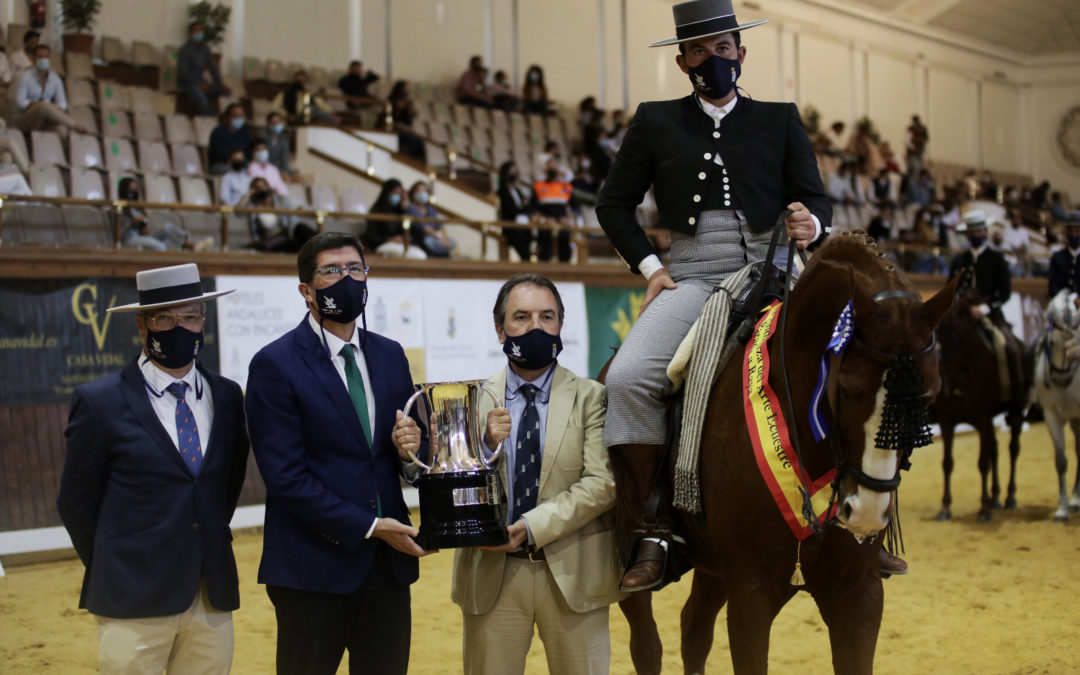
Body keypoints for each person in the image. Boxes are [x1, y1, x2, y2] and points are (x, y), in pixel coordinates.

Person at [595, 0, 850, 591]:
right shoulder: (655, 120)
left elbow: (816, 198)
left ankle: (862, 522)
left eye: (725, 47)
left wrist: (813, 225)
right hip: (695, 273)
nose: (716, 59)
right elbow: (613, 204)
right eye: (701, 51)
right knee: (629, 377)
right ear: (683, 60)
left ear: (742, 51)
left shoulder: (780, 118)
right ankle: (654, 526)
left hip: (778, 269)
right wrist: (653, 268)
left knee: (862, 359)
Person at [391, 273, 624, 674]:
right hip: (491, 578)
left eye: (547, 317)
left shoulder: (592, 398)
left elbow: (602, 485)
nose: (536, 327)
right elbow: (446, 479)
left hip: (574, 576)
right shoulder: (472, 400)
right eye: (522, 317)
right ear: (500, 329)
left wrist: (529, 527)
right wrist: (413, 455)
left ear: (560, 326)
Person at [245, 232, 430, 674]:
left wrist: (411, 454)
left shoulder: (390, 355)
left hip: (387, 571)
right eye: (331, 271)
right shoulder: (275, 364)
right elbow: (286, 478)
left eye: (355, 269)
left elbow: (406, 457)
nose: (346, 279)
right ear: (306, 291)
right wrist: (369, 526)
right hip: (312, 570)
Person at [57, 263, 248, 674]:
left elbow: (225, 487)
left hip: (209, 592)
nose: (181, 327)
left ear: (203, 322)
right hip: (132, 597)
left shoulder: (228, 397)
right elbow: (75, 503)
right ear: (143, 326)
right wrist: (118, 561)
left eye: (191, 316)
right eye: (166, 318)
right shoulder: (99, 402)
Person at [948, 210, 1024, 401]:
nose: (976, 235)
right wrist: (959, 305)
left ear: (985, 231)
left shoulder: (997, 259)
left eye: (979, 231)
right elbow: (950, 288)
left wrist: (984, 308)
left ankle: (1015, 396)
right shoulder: (959, 260)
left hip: (990, 314)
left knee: (1010, 348)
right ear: (967, 234)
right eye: (972, 232)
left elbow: (1005, 292)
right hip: (962, 314)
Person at [117, 177, 211, 251]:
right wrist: (130, 224)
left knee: (167, 228)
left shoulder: (137, 209)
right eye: (131, 190)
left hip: (141, 236)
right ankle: (191, 247)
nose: (133, 193)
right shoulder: (119, 209)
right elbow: (118, 234)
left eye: (135, 189)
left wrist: (143, 224)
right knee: (160, 246)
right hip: (129, 238)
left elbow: (146, 233)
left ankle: (192, 245)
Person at [13, 44, 85, 137]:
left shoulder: (55, 78)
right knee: (43, 106)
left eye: (46, 57)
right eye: (40, 57)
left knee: (61, 130)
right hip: (23, 118)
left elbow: (62, 105)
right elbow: (20, 103)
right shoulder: (24, 76)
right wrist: (39, 105)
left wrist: (49, 109)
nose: (43, 60)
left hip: (45, 119)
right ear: (33, 59)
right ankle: (75, 125)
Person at [240, 176, 316, 252]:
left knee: (301, 228)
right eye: (258, 188)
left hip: (288, 232)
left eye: (263, 186)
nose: (262, 189)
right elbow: (239, 212)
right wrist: (248, 194)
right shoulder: (253, 206)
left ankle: (318, 244)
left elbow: (293, 214)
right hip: (271, 239)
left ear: (268, 187)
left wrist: (291, 232)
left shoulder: (281, 199)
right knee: (293, 244)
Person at [177, 22, 230, 116]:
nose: (199, 33)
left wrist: (220, 83)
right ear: (190, 33)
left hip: (202, 81)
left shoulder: (205, 49)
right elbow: (183, 73)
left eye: (201, 30)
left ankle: (226, 116)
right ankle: (210, 116)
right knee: (200, 95)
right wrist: (198, 84)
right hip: (188, 83)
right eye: (196, 30)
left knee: (225, 92)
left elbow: (213, 67)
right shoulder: (184, 50)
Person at [365, 178, 426, 259]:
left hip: (404, 244)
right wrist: (390, 239)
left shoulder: (401, 210)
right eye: (394, 193)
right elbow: (371, 236)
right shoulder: (377, 211)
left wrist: (406, 208)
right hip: (384, 244)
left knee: (421, 255)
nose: (397, 196)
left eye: (399, 193)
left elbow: (417, 229)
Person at [531, 167, 574, 262]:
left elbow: (571, 206)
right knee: (544, 237)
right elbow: (534, 207)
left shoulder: (566, 186)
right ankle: (544, 260)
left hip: (562, 220)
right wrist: (543, 218)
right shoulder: (538, 185)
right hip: (545, 220)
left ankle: (565, 262)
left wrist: (567, 217)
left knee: (564, 237)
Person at [498, 160, 537, 261]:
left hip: (522, 224)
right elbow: (509, 209)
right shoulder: (502, 191)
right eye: (512, 171)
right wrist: (522, 207)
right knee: (519, 235)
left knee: (532, 233)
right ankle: (527, 258)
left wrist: (525, 207)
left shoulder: (518, 191)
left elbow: (526, 206)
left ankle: (533, 256)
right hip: (510, 224)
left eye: (516, 171)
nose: (514, 174)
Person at [405, 180, 453, 257]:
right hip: (420, 240)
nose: (422, 193)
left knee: (447, 249)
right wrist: (440, 238)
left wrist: (445, 238)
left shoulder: (430, 209)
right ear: (413, 193)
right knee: (430, 244)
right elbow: (423, 227)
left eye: (424, 191)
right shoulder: (411, 208)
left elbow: (440, 225)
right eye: (419, 191)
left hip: (436, 238)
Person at [208, 104, 252, 175]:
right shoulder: (218, 132)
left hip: (241, 163)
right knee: (238, 170)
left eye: (241, 116)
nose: (238, 118)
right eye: (235, 116)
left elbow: (248, 151)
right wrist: (235, 159)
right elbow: (220, 153)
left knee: (254, 168)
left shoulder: (244, 131)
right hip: (222, 164)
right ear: (227, 117)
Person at [387, 80, 424, 161]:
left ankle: (417, 160)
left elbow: (410, 119)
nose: (408, 90)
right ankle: (412, 160)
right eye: (406, 88)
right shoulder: (392, 101)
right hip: (397, 129)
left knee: (420, 142)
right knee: (412, 141)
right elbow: (391, 119)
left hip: (406, 129)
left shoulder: (407, 104)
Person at [1049, 221, 1080, 299]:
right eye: (1070, 231)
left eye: (1077, 231)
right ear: (1066, 233)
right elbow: (1053, 286)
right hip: (1063, 300)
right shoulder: (1057, 257)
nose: (1074, 235)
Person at [264, 112, 299, 180]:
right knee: (285, 177)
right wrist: (279, 172)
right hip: (270, 169)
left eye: (278, 122)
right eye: (274, 122)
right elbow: (266, 160)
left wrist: (286, 171)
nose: (276, 124)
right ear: (269, 124)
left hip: (282, 168)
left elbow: (285, 158)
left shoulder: (284, 139)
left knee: (298, 177)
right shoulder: (264, 138)